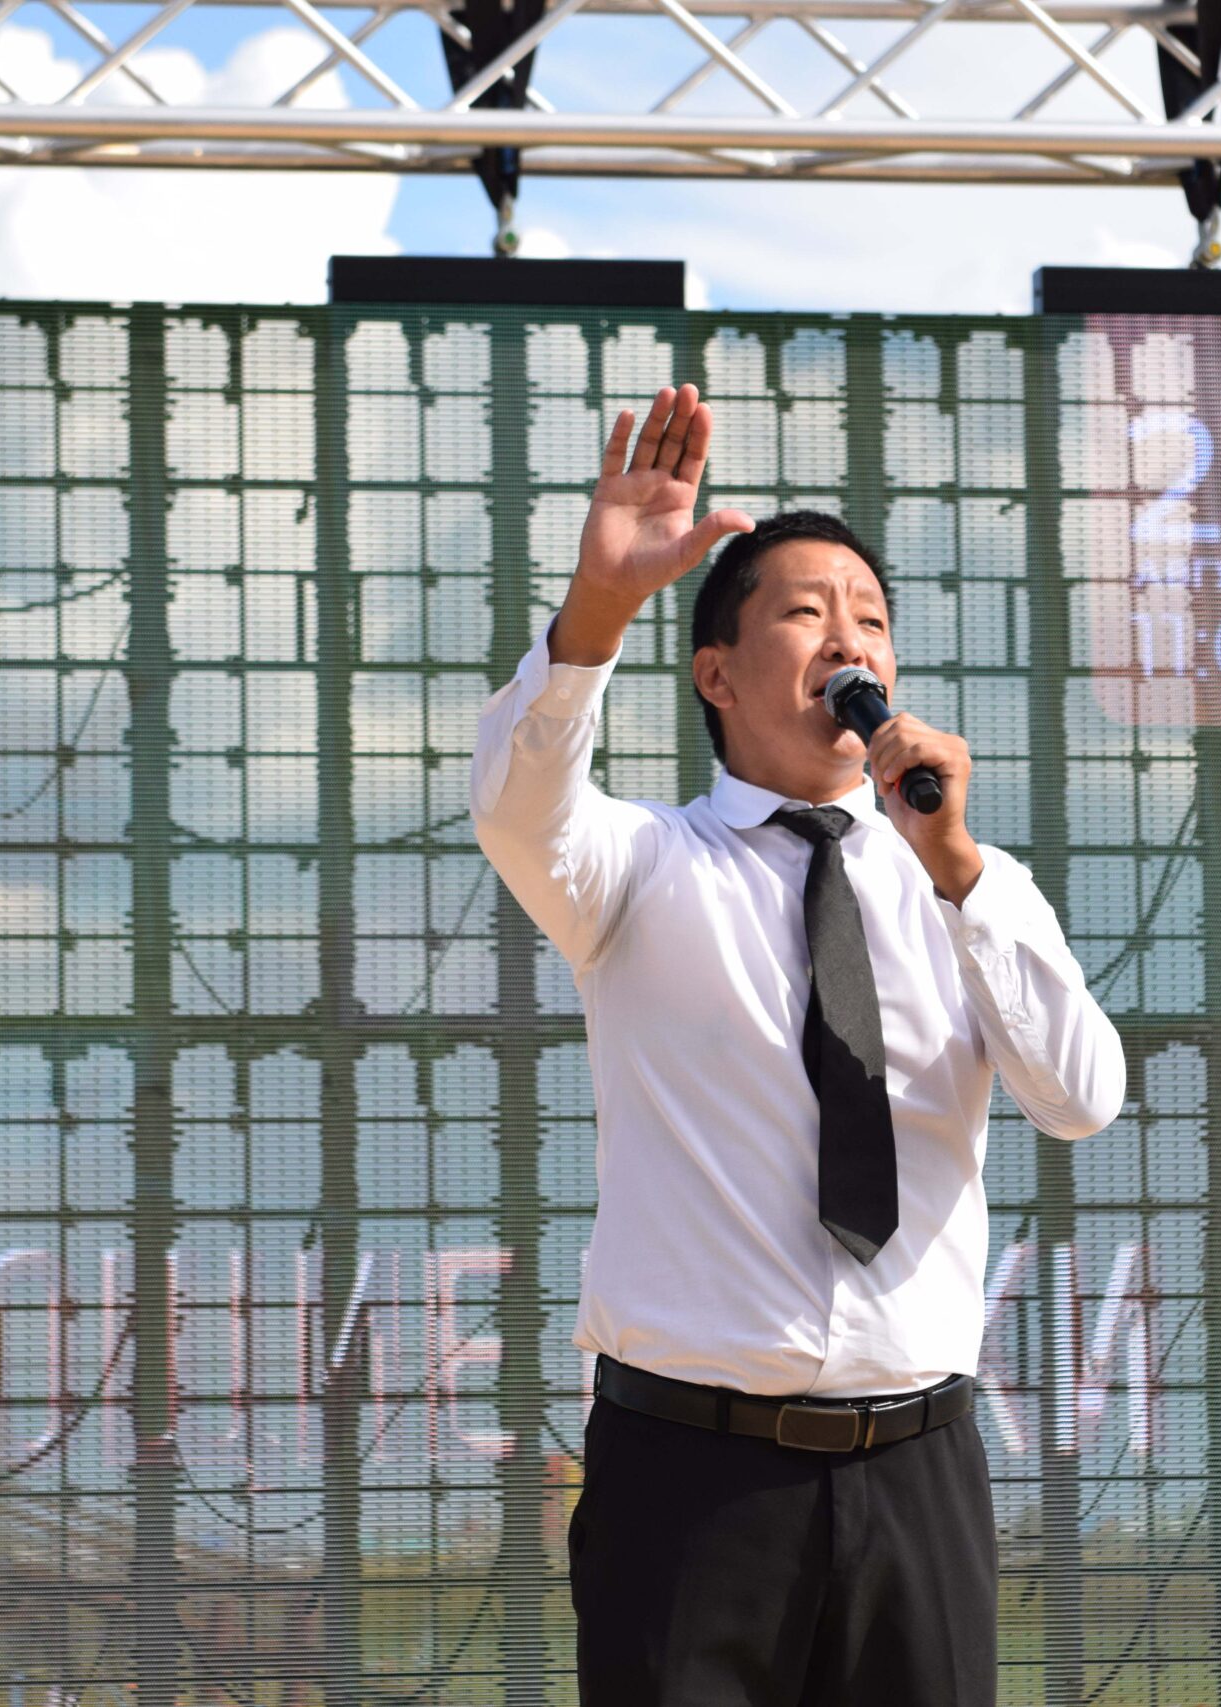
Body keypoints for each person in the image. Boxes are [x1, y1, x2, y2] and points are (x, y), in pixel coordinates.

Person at [471, 382, 1126, 1707]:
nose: (847, 639)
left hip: (919, 1466)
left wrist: (958, 869)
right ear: (715, 672)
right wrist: (597, 609)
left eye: (871, 619)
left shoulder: (968, 883)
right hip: (690, 1477)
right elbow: (516, 806)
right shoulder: (641, 866)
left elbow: (1081, 1097)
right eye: (806, 612)